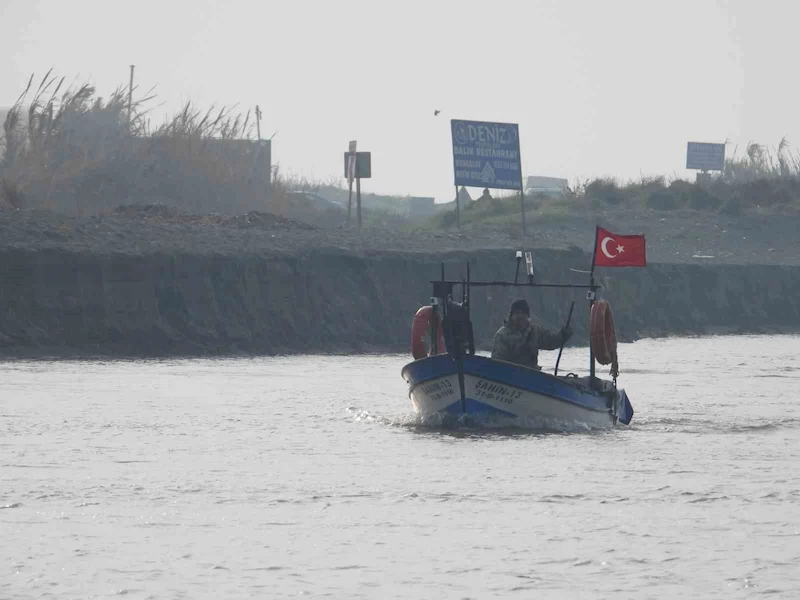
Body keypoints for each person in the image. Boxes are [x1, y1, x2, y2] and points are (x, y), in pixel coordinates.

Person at [491, 298, 573, 370]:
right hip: (509, 376)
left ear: (527, 316)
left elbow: (551, 341)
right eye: (517, 313)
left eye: (523, 313)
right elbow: (497, 361)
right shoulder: (502, 335)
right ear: (511, 315)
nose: (520, 316)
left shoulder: (535, 331)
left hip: (532, 376)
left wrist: (563, 334)